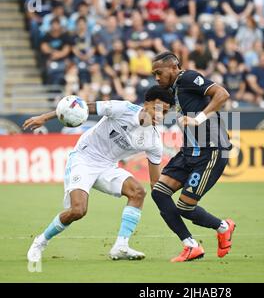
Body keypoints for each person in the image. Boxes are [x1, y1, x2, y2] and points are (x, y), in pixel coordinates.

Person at [24, 86, 175, 262]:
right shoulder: (123, 109)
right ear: (146, 103)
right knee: (78, 211)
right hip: (84, 158)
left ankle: (121, 246)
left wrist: (170, 199)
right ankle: (40, 242)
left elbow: (155, 183)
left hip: (107, 166)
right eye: (157, 108)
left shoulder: (154, 141)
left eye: (164, 112)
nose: (159, 115)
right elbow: (80, 106)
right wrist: (45, 117)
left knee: (138, 193)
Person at [151, 51, 235, 262]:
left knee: (185, 207)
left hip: (211, 150)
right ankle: (190, 245)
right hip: (189, 151)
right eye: (153, 74)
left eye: (159, 72)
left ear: (173, 67)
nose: (156, 78)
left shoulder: (187, 78)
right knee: (159, 193)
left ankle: (223, 227)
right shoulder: (174, 89)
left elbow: (222, 94)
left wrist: (198, 118)